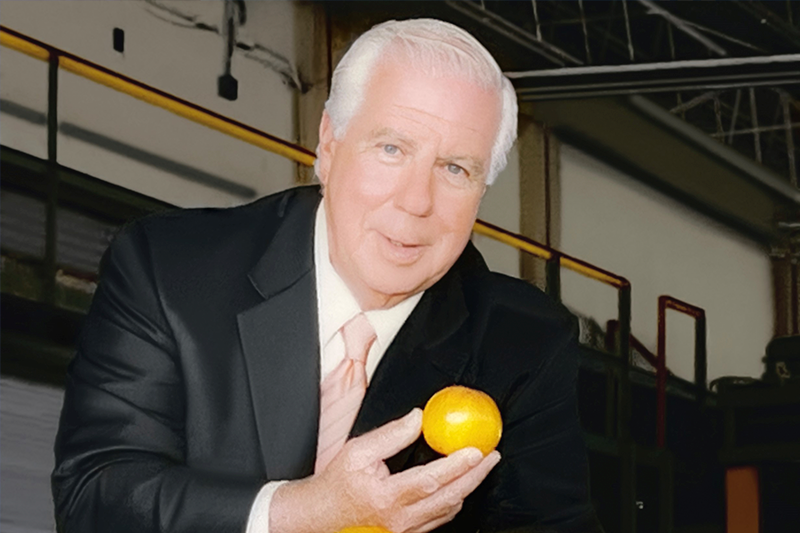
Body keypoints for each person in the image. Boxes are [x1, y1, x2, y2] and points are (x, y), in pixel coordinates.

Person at [52, 18, 602, 533]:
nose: (416, 201)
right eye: (392, 148)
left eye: (455, 169)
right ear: (330, 145)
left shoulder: (523, 342)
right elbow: (95, 495)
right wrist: (310, 511)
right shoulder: (169, 268)